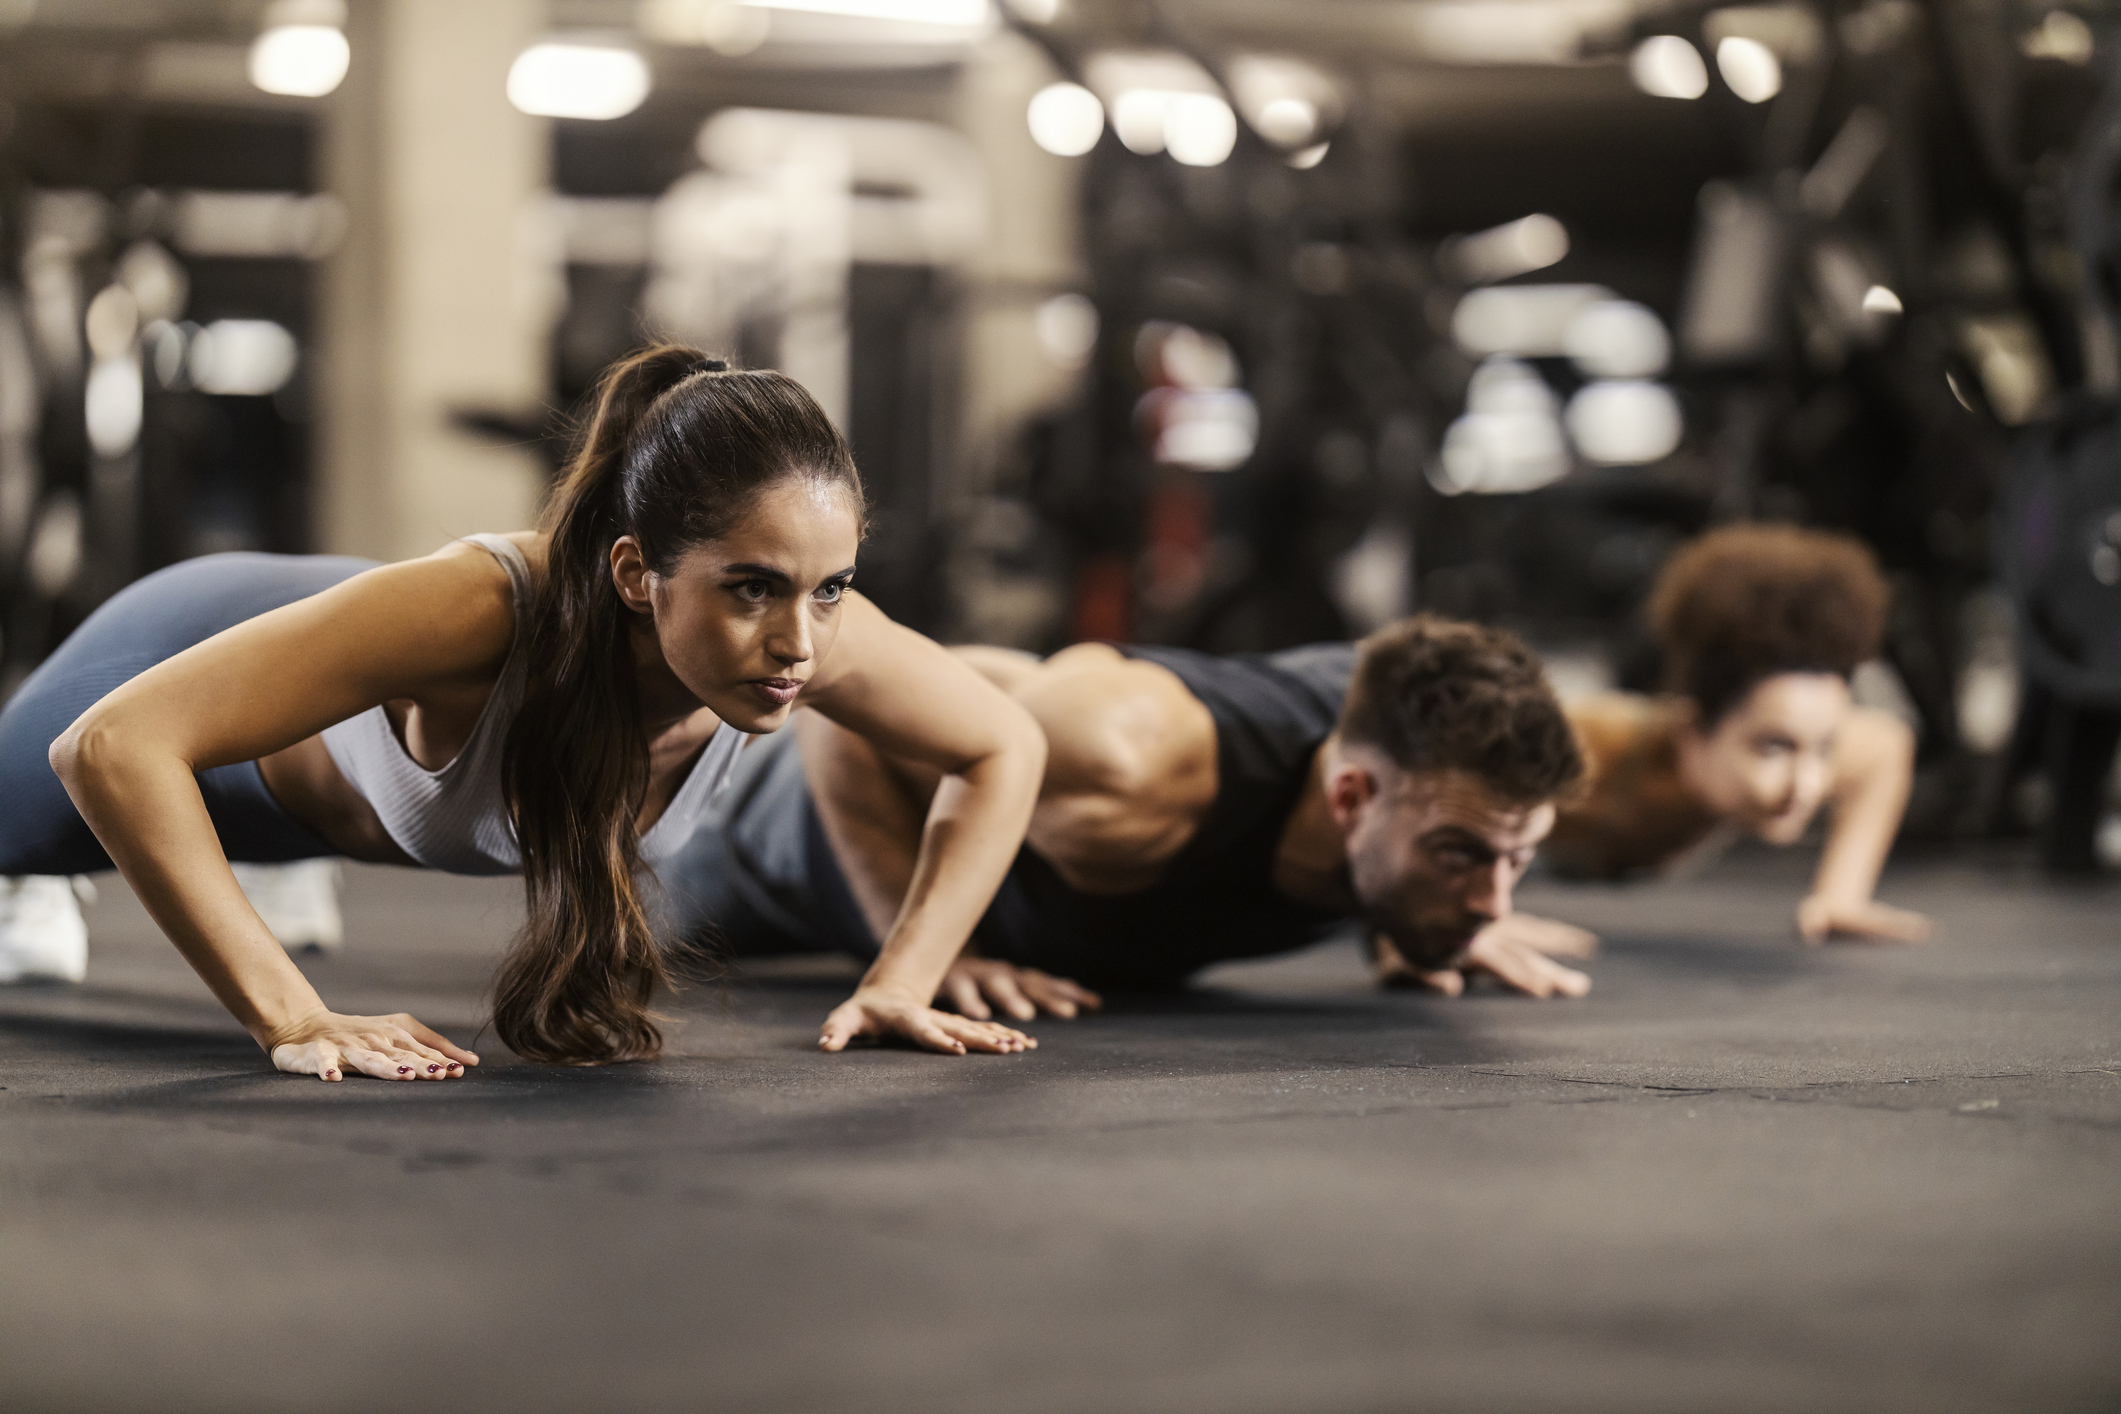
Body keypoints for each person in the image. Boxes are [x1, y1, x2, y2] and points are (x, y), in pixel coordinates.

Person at [0, 346, 1049, 1078]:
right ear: (635, 574)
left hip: (337, 731)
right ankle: (46, 883)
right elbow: (111, 742)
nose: (800, 643)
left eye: (831, 587)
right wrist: (292, 1015)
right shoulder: (479, 611)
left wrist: (903, 978)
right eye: (751, 588)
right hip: (185, 644)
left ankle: (281, 861)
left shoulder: (810, 637)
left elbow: (1004, 743)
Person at [663, 614, 1596, 1013]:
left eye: (1517, 860)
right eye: (1460, 855)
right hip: (752, 829)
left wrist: (1420, 919)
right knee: (619, 922)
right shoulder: (1129, 762)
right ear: (1350, 798)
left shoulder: (1419, 752)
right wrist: (927, 951)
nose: (1494, 902)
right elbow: (843, 700)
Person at [1372, 523, 1930, 987]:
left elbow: (1886, 747)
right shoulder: (1594, 744)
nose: (1806, 785)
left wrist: (1841, 896)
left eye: (1825, 747)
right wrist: (1413, 926)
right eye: (1773, 748)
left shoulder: (1823, 754)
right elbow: (1404, 772)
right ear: (1693, 729)